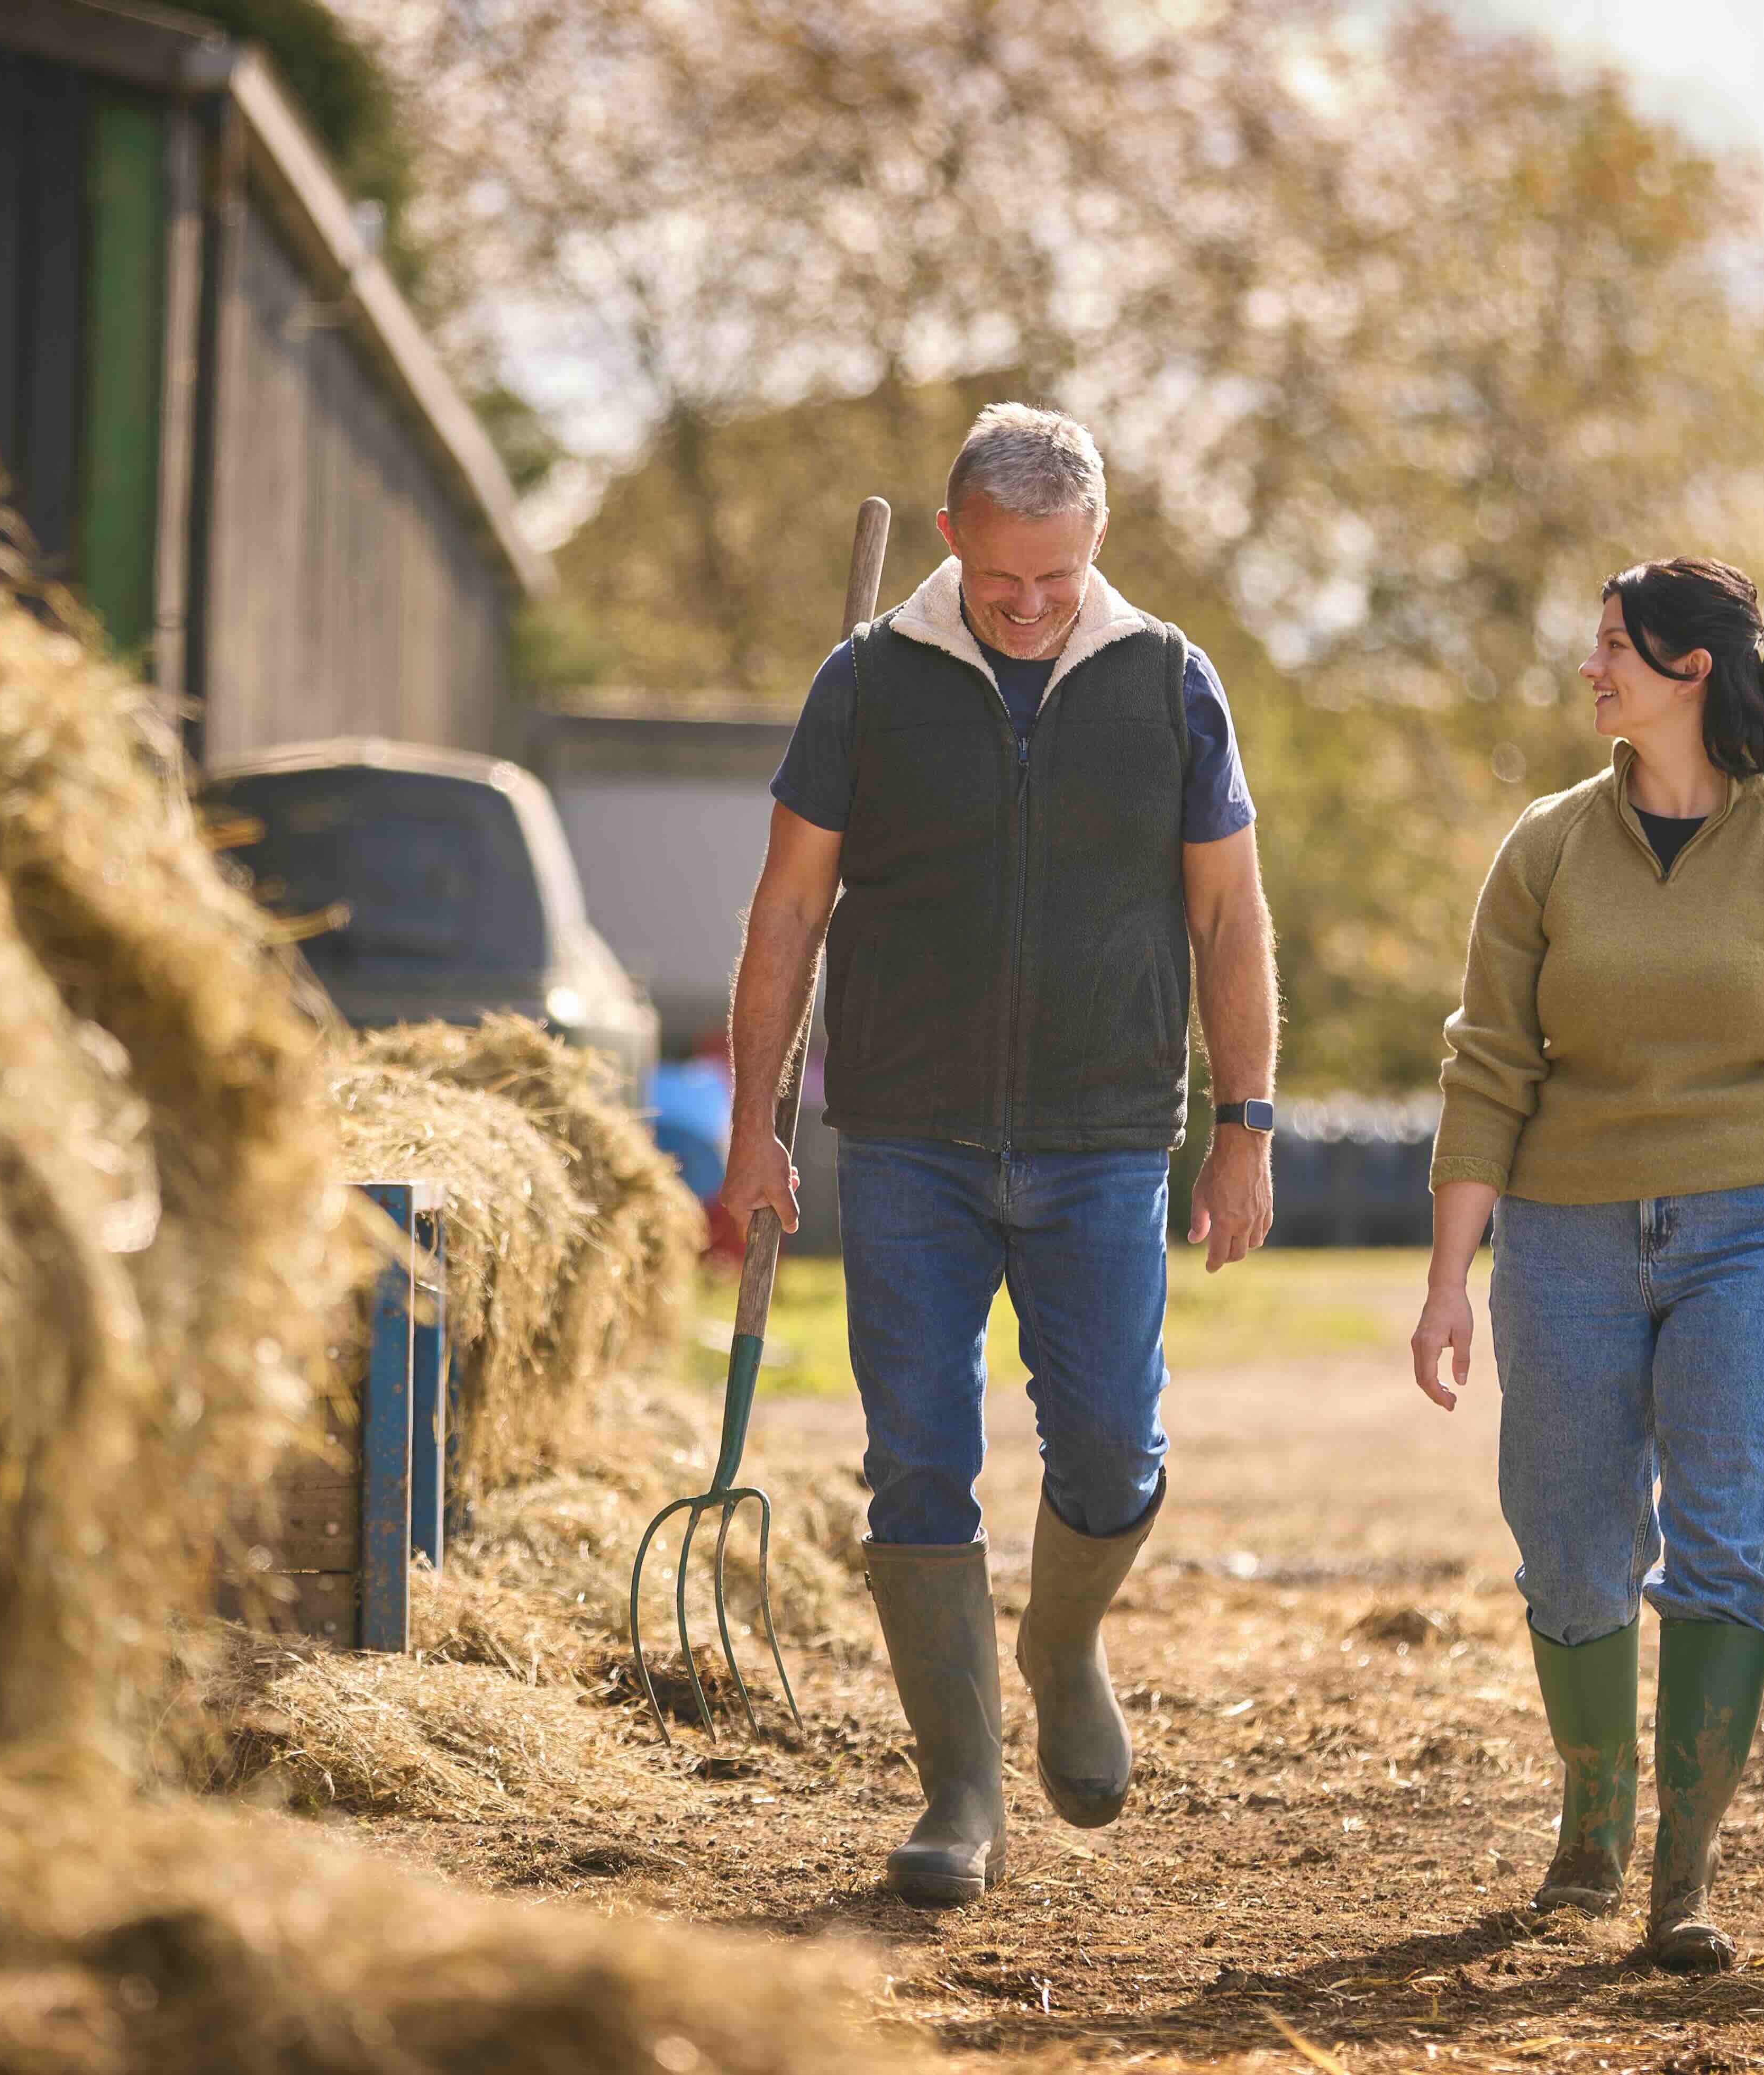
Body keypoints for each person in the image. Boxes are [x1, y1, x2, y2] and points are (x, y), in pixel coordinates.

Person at [722, 403, 1279, 1906]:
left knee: (1108, 1445)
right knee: (915, 1458)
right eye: (1000, 579)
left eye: (1056, 578)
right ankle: (961, 1789)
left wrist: (1244, 1124)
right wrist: (750, 1126)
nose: (1029, 609)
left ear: (1093, 542)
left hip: (1104, 1138)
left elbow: (1228, 915)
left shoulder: (1168, 682)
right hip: (903, 1136)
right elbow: (786, 913)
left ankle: (1060, 1640)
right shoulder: (865, 684)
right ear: (952, 534)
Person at [1410, 556, 1764, 1972]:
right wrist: (1444, 1275)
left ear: (1688, 670)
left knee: (1727, 1540)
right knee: (1569, 1544)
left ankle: (1682, 1873)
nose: (1591, 668)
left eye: (1615, 646)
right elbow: (1485, 1062)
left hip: (1763, 1225)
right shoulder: (1545, 844)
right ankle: (1591, 1821)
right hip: (1565, 1227)